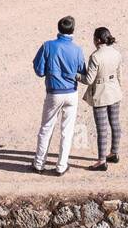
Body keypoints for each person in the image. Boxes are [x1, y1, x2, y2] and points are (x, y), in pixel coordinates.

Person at [32, 15, 87, 176]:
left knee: (46, 127)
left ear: (59, 28)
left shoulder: (48, 46)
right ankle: (61, 165)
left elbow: (39, 71)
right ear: (73, 30)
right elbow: (82, 71)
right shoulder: (77, 49)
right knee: (67, 130)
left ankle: (39, 163)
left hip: (54, 92)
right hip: (71, 92)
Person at [81, 26, 123, 171]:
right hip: (115, 91)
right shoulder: (116, 53)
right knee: (115, 123)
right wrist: (118, 89)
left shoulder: (95, 56)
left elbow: (88, 79)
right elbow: (119, 75)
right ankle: (114, 153)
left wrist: (74, 75)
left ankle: (101, 160)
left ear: (97, 40)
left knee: (102, 128)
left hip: (100, 94)